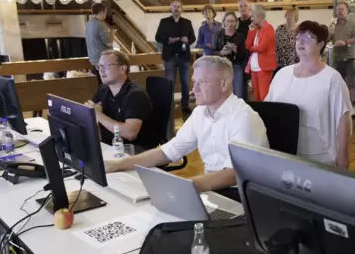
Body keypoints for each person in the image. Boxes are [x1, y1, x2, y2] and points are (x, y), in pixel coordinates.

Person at [105, 56, 268, 201]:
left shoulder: (243, 118)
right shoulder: (200, 112)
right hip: (212, 188)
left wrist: (184, 186)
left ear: (224, 84)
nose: (194, 89)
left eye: (201, 82)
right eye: (193, 82)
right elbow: (169, 151)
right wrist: (119, 164)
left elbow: (233, 174)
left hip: (243, 197)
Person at [267, 20, 352, 167]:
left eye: (307, 38)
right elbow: (269, 110)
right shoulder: (282, 74)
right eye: (298, 38)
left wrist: (343, 155)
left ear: (320, 44)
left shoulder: (332, 78)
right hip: (285, 153)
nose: (301, 42)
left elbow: (343, 118)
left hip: (320, 156)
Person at [85, 50, 155, 151]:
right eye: (99, 66)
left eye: (106, 66)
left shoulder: (135, 95)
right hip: (109, 145)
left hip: (134, 148)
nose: (101, 70)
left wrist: (97, 114)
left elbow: (130, 134)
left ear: (122, 68)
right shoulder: (103, 90)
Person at [155, 0, 196, 119]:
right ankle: (169, 106)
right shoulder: (164, 22)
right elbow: (157, 37)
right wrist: (169, 40)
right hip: (170, 57)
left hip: (184, 57)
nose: (177, 9)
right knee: (170, 83)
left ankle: (185, 105)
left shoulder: (187, 22)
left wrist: (187, 40)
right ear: (171, 8)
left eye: (179, 6)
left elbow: (192, 37)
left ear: (182, 8)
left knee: (185, 83)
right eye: (174, 7)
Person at [329, 2, 355, 114]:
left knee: (351, 83)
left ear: (347, 11)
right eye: (338, 9)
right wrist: (329, 31)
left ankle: (354, 106)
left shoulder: (353, 23)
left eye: (342, 9)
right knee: (338, 83)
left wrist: (345, 42)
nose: (339, 11)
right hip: (337, 57)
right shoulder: (333, 24)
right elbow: (327, 38)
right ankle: (341, 106)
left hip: (349, 57)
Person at [213, 11, 248, 100]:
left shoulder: (240, 36)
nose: (230, 24)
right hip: (222, 67)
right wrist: (221, 53)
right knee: (223, 93)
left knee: (238, 94)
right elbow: (211, 53)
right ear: (224, 21)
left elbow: (244, 54)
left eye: (232, 21)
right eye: (228, 21)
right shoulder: (217, 35)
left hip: (236, 66)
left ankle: (237, 112)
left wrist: (236, 50)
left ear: (236, 22)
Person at [245, 4, 276, 101]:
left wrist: (251, 48)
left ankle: (266, 115)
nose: (251, 18)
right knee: (256, 95)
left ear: (259, 16)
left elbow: (262, 47)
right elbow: (247, 45)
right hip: (254, 67)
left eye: (253, 16)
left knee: (264, 95)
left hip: (264, 66)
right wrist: (251, 31)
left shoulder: (269, 28)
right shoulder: (256, 29)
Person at [85, 3, 112, 84]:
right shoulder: (100, 25)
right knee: (107, 83)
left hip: (93, 61)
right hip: (104, 61)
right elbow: (109, 43)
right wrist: (112, 34)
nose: (105, 16)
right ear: (101, 13)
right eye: (105, 13)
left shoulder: (88, 24)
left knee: (101, 85)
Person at [274, 8, 299, 74]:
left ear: (295, 18)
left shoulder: (299, 30)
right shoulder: (280, 28)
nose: (289, 17)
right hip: (280, 64)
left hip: (294, 63)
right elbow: (275, 45)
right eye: (287, 15)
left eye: (291, 16)